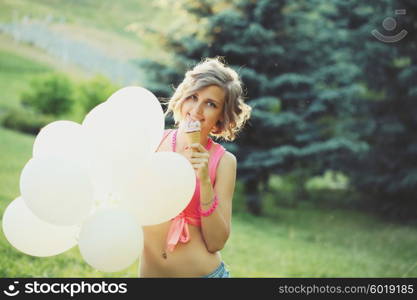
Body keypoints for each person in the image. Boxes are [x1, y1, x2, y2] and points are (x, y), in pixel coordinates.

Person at [139, 57, 251, 278]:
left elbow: (216, 242)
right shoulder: (152, 143)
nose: (197, 110)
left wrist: (204, 182)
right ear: (182, 98)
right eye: (193, 97)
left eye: (211, 104)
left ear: (221, 116)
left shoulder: (224, 162)